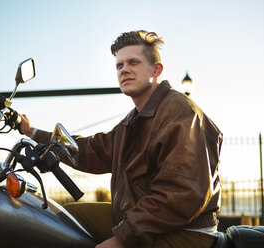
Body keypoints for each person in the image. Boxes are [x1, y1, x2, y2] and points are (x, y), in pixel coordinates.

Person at [19, 30, 223, 248]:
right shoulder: (135, 119)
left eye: (133, 62)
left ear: (156, 70)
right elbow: (92, 151)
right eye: (119, 65)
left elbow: (180, 194)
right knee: (56, 219)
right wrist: (31, 132)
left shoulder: (180, 113)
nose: (124, 69)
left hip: (185, 232)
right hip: (144, 218)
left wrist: (122, 239)